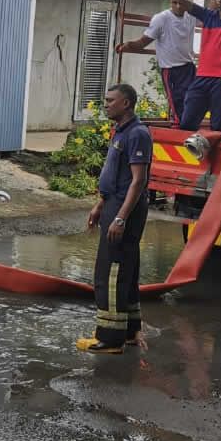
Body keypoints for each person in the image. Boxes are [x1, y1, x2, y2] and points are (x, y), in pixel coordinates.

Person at [76, 83, 152, 354]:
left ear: (126, 103)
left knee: (111, 271)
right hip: (114, 204)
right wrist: (100, 204)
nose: (106, 104)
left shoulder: (137, 134)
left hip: (124, 208)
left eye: (111, 100)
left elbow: (138, 181)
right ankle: (129, 331)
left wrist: (120, 218)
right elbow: (116, 175)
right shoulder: (120, 131)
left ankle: (109, 338)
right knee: (125, 270)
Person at [115, 0, 197, 125]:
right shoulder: (162, 18)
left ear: (187, 1)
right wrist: (127, 45)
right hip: (171, 70)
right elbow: (143, 42)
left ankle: (189, 128)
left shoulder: (191, 16)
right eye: (175, 2)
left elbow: (212, 12)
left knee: (194, 103)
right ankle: (181, 129)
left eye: (181, 2)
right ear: (170, 1)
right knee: (178, 106)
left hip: (189, 67)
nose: (178, 6)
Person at [170, 0, 221, 132]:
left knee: (218, 126)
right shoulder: (208, 16)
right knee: (187, 122)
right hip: (202, 76)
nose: (220, 0)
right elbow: (182, 0)